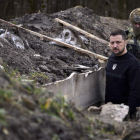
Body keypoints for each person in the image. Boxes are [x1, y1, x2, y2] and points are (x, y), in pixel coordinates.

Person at [105, 29, 140, 119]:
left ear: (125, 42)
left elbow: (135, 90)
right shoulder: (111, 58)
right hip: (109, 108)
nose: (115, 45)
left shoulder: (133, 63)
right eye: (112, 43)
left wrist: (129, 112)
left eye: (118, 42)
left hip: (124, 110)